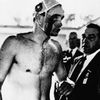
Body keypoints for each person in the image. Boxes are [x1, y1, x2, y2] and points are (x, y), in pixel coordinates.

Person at [0, 0, 67, 100]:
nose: (60, 24)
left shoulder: (56, 48)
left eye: (61, 18)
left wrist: (69, 84)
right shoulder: (14, 43)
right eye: (55, 17)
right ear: (39, 18)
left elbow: (64, 79)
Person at [58, 23, 100, 100]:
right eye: (84, 36)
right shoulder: (77, 60)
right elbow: (70, 82)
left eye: (91, 37)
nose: (85, 40)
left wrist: (73, 91)